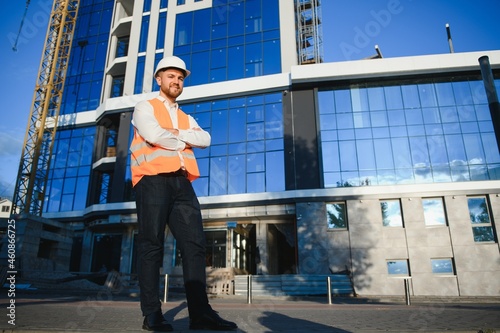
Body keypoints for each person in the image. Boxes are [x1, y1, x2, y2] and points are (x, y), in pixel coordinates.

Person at [130, 56, 238, 332]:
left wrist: (176, 132)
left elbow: (206, 139)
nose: (176, 82)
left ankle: (200, 314)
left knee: (195, 246)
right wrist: (183, 136)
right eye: (171, 76)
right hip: (152, 180)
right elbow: (154, 135)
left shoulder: (185, 116)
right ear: (159, 79)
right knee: (151, 245)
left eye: (180, 78)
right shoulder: (145, 107)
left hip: (182, 184)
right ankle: (152, 314)